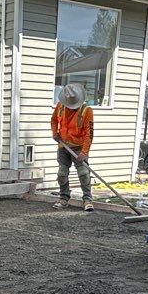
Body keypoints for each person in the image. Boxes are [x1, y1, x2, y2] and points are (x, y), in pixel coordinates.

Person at [52, 83, 95, 211]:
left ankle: (87, 199)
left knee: (83, 173)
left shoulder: (86, 111)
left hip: (79, 147)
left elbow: (89, 133)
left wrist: (84, 151)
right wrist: (55, 132)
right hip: (63, 146)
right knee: (62, 174)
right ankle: (64, 198)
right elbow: (54, 120)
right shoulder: (60, 106)